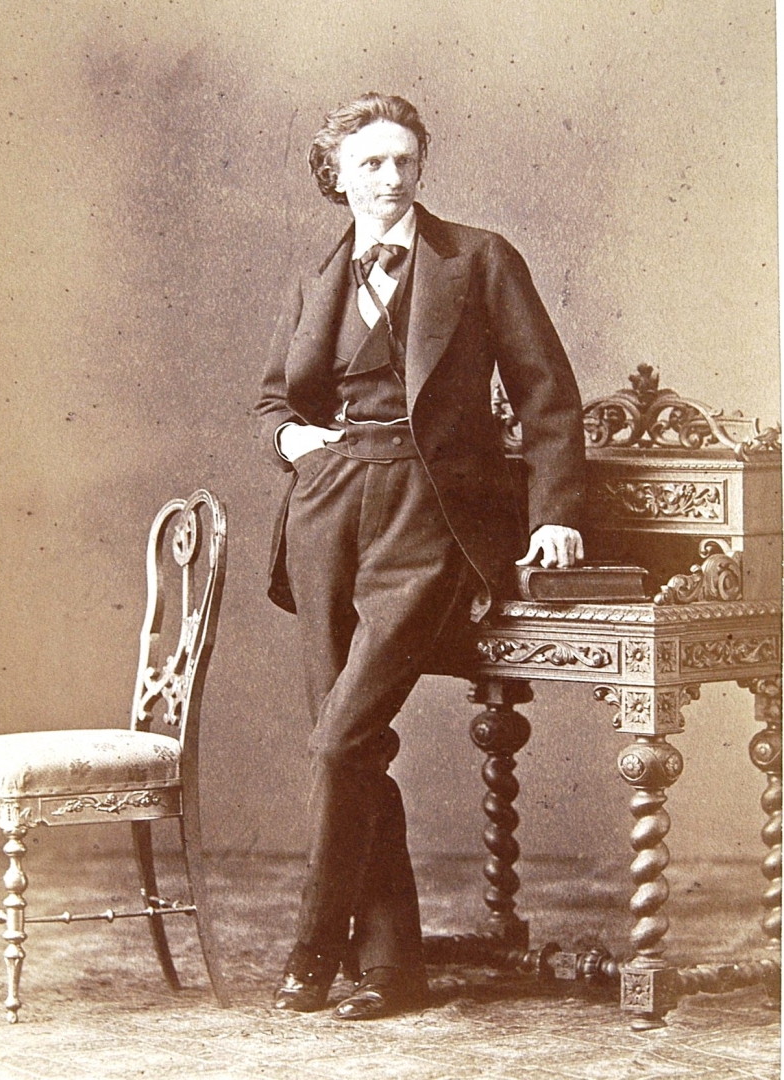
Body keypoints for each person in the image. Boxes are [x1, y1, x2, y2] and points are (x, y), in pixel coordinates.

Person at [255, 92, 586, 1021]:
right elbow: (274, 401)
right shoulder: (316, 275)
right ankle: (392, 968)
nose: (392, 178)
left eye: (405, 160)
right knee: (351, 749)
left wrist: (555, 516)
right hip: (325, 513)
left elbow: (547, 394)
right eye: (370, 163)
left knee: (339, 741)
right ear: (336, 175)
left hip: (430, 515)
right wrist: (292, 442)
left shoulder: (477, 259)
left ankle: (314, 945)